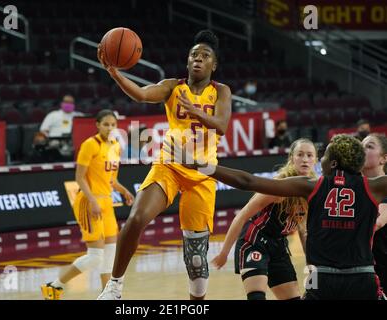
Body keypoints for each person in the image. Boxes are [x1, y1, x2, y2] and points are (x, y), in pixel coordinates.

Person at [97, 30, 232, 300]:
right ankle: (114, 286)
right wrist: (115, 74)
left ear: (213, 65)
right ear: (187, 61)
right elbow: (141, 95)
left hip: (202, 174)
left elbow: (222, 126)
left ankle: (196, 301)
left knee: (196, 261)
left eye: (205, 56)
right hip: (169, 165)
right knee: (136, 219)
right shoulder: (173, 86)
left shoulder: (221, 91)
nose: (198, 59)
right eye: (194, 54)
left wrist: (195, 111)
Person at [184, 134, 387, 299]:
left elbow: (247, 181)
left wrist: (200, 165)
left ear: (332, 163)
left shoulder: (311, 186)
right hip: (361, 276)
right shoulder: (375, 187)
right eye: (302, 155)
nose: (315, 160)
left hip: (323, 279)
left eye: (320, 156)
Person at [41, 110, 135, 300]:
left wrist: (124, 191)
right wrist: (92, 200)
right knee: (95, 256)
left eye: (113, 125)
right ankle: (54, 286)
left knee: (110, 256)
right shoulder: (90, 145)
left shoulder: (116, 146)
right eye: (106, 124)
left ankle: (106, 296)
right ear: (97, 125)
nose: (110, 128)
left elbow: (112, 180)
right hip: (88, 201)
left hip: (107, 201)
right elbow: (79, 177)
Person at [211, 138, 317, 300]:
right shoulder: (278, 186)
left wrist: (311, 267)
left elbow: (304, 231)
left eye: (310, 155)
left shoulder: (313, 190)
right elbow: (242, 215)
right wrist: (224, 253)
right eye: (300, 154)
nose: (305, 159)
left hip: (278, 245)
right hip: (254, 241)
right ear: (291, 159)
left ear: (315, 160)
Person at [361, 133, 387, 294]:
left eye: (369, 146)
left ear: (383, 158)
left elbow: (377, 222)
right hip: (361, 268)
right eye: (361, 145)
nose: (362, 150)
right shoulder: (354, 186)